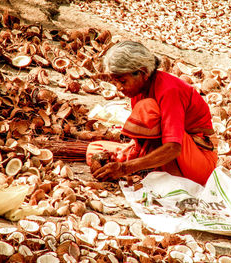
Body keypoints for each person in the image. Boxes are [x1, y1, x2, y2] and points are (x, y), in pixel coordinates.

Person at [91, 40, 218, 185]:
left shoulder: (170, 91)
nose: (119, 88)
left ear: (143, 72)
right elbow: (145, 139)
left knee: (148, 108)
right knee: (94, 150)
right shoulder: (138, 92)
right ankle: (154, 169)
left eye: (123, 81)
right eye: (115, 82)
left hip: (196, 159)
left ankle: (169, 175)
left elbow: (174, 147)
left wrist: (125, 168)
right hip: (166, 150)